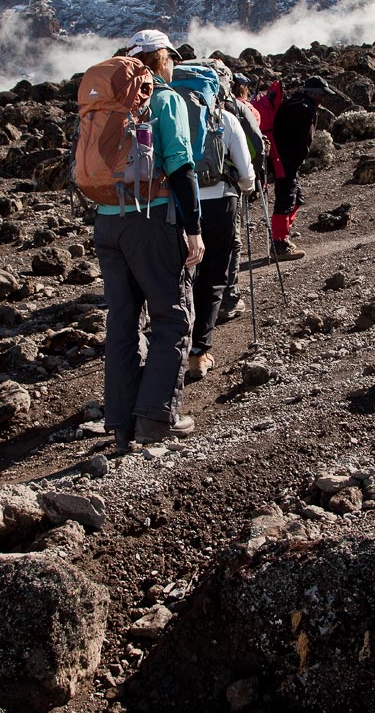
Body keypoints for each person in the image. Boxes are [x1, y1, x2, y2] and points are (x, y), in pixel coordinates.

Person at [95, 29, 204, 449]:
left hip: (107, 223)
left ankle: (122, 426)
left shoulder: (106, 101)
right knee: (172, 317)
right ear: (160, 59)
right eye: (171, 58)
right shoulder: (163, 98)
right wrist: (193, 229)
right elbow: (180, 166)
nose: (174, 64)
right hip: (151, 219)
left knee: (122, 322)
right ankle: (158, 419)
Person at [187, 100, 256, 381]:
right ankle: (198, 354)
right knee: (214, 277)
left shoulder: (163, 111)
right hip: (219, 203)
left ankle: (170, 348)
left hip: (175, 205)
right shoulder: (223, 118)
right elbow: (246, 173)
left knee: (179, 276)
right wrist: (243, 186)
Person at [269, 75, 335, 260]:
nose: (322, 98)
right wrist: (295, 162)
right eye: (321, 94)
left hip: (279, 159)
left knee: (296, 198)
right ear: (313, 93)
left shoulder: (292, 102)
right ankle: (279, 245)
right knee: (286, 200)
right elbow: (302, 142)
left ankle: (282, 239)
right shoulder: (306, 110)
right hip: (286, 163)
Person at [219, 73, 266, 323]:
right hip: (226, 189)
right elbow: (255, 146)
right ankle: (229, 299)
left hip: (184, 188)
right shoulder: (235, 109)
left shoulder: (179, 102)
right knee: (230, 243)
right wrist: (250, 182)